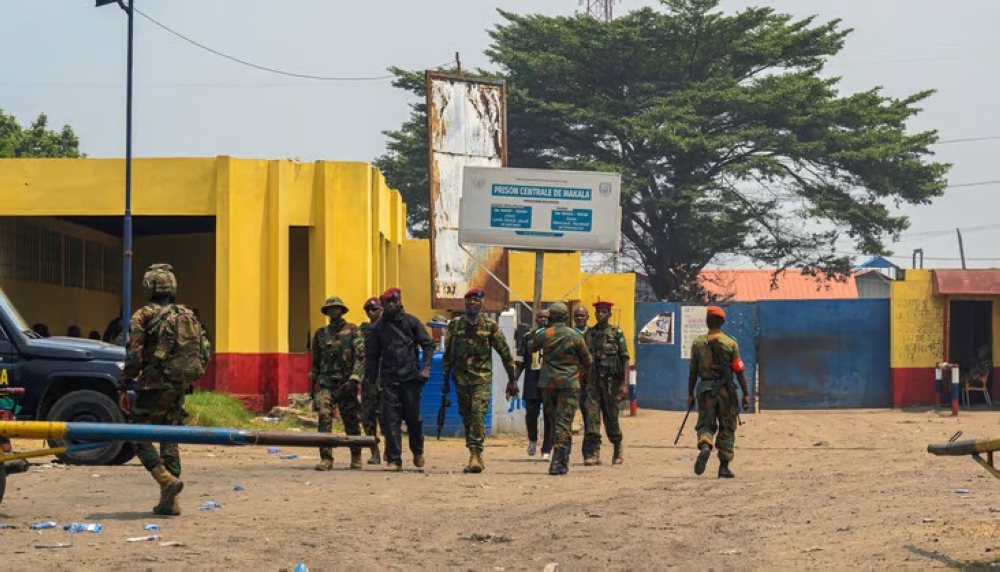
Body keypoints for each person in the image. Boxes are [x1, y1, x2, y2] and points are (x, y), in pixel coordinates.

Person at [121, 262, 210, 515]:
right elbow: (204, 351)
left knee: (138, 435)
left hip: (152, 386)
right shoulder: (187, 314)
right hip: (179, 385)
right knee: (169, 438)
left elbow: (134, 355)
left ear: (149, 286)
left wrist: (124, 386)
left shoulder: (142, 316)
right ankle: (170, 502)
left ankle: (165, 480)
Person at [443, 287, 518, 473]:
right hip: (460, 379)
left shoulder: (490, 327)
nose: (472, 303)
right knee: (467, 417)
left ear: (482, 304)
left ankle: (475, 454)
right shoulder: (455, 326)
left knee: (477, 414)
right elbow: (449, 354)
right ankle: (473, 451)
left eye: (476, 300)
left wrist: (512, 380)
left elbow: (505, 354)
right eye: (469, 300)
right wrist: (445, 381)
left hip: (481, 379)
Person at [365, 287, 435, 472]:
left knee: (414, 420)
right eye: (387, 302)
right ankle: (395, 460)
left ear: (399, 302)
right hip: (389, 380)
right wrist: (370, 382)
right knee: (390, 421)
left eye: (393, 302)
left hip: (411, 379)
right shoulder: (378, 328)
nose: (390, 305)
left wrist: (426, 368)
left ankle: (417, 451)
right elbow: (372, 357)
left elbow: (428, 345)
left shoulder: (412, 322)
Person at [687, 306, 751, 479]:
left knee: (705, 425)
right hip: (726, 392)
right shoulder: (731, 343)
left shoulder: (698, 343)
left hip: (705, 391)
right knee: (727, 427)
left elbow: (693, 372)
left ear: (707, 322)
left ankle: (706, 445)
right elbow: (739, 371)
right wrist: (745, 394)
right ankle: (723, 467)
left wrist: (690, 394)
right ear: (722, 322)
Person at [530, 301, 592, 475]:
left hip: (548, 384)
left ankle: (559, 458)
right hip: (569, 384)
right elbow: (588, 360)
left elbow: (532, 347)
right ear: (566, 317)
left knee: (554, 421)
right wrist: (581, 374)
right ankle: (560, 461)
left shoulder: (544, 334)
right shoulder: (575, 336)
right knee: (564, 422)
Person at [309, 295, 365, 471]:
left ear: (341, 310)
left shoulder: (353, 330)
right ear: (327, 312)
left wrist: (355, 377)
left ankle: (356, 456)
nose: (333, 310)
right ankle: (326, 457)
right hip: (326, 382)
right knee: (324, 416)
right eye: (330, 308)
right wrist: (313, 387)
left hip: (347, 382)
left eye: (336, 308)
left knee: (351, 420)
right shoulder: (320, 334)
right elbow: (315, 362)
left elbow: (361, 357)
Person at [582, 300, 629, 466]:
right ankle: (593, 452)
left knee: (611, 418)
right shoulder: (589, 334)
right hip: (592, 383)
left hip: (611, 384)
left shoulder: (616, 333)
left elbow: (624, 359)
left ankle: (617, 447)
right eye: (598, 312)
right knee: (592, 417)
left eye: (603, 312)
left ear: (609, 314)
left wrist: (624, 384)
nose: (600, 314)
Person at [515, 309, 553, 460]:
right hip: (532, 381)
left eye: (546, 317)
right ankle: (532, 439)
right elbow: (520, 362)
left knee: (549, 417)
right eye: (540, 317)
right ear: (536, 319)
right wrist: (513, 380)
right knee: (531, 414)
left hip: (550, 382)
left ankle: (547, 449)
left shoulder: (555, 336)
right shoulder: (528, 337)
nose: (543, 319)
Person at [360, 296, 384, 465]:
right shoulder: (364, 330)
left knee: (387, 418)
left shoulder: (390, 328)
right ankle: (374, 451)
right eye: (368, 310)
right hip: (370, 379)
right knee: (368, 417)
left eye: (374, 309)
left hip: (387, 379)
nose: (371, 313)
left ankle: (391, 452)